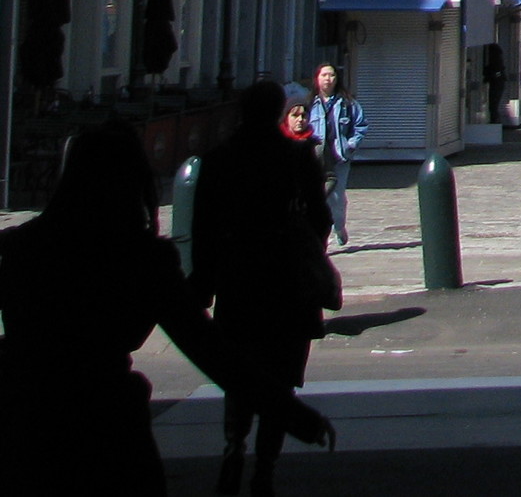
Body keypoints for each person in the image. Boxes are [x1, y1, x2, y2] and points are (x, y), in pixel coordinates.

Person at [0, 119, 332, 497]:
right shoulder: (142, 259)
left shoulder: (20, 247)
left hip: (23, 419)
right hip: (106, 425)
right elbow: (209, 349)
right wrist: (292, 414)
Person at [191, 81, 336, 496]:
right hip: (287, 280)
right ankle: (265, 466)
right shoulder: (294, 158)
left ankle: (233, 447)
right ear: (277, 112)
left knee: (240, 373)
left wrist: (204, 282)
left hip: (239, 279)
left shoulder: (219, 160)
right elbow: (321, 218)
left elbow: (202, 229)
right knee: (281, 374)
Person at [304, 65, 365, 252]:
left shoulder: (347, 103)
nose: (328, 79)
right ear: (316, 78)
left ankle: (338, 226)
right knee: (317, 196)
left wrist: (351, 144)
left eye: (331, 75)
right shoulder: (309, 103)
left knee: (337, 196)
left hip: (339, 157)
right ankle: (321, 235)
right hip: (316, 157)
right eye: (324, 75)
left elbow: (361, 125)